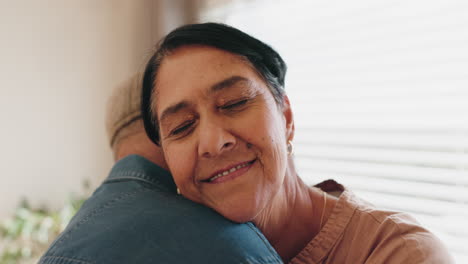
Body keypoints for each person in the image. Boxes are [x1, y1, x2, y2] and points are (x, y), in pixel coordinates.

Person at [140, 22, 455, 264]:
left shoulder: (399, 252)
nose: (213, 141)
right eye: (182, 127)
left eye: (235, 103)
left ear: (286, 117)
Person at [38, 73, 283, 264]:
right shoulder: (229, 243)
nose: (214, 143)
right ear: (162, 128)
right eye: (184, 124)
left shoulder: (66, 242)